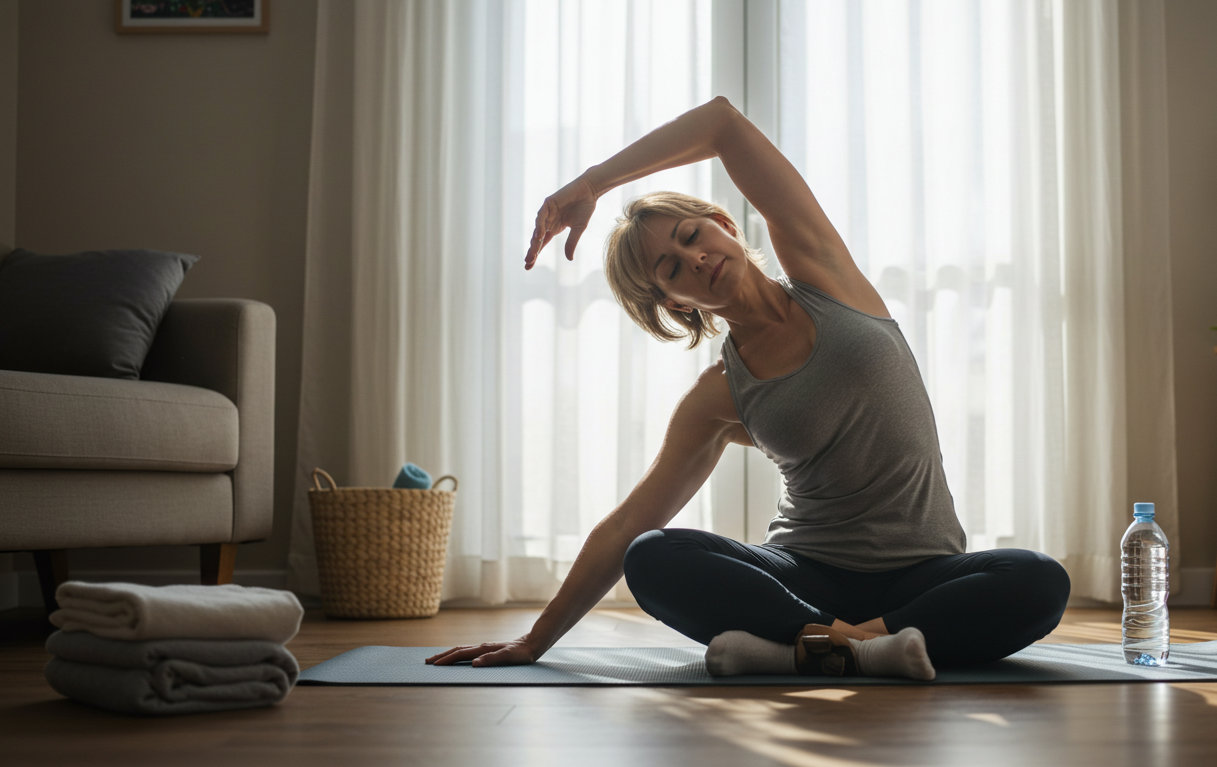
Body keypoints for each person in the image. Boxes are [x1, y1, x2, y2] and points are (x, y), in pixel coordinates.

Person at [426, 97, 1069, 678]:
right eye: (672, 268)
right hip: (805, 579)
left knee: (1038, 580)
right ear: (671, 301)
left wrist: (592, 184)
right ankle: (864, 644)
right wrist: (536, 642)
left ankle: (817, 649)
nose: (697, 260)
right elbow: (629, 523)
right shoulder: (719, 394)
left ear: (722, 224)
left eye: (692, 237)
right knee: (653, 556)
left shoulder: (827, 276)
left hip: (924, 571)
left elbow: (722, 124)